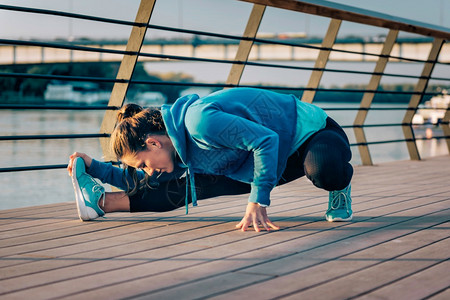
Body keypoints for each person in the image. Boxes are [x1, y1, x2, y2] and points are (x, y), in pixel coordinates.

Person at [68, 87, 353, 232]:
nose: (147, 171)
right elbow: (139, 179)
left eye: (143, 163)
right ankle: (101, 202)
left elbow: (267, 140)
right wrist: (93, 167)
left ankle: (340, 185)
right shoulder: (174, 151)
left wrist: (257, 200)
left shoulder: (200, 122)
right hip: (259, 162)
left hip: (309, 134)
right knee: (174, 189)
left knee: (323, 170)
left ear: (154, 142)